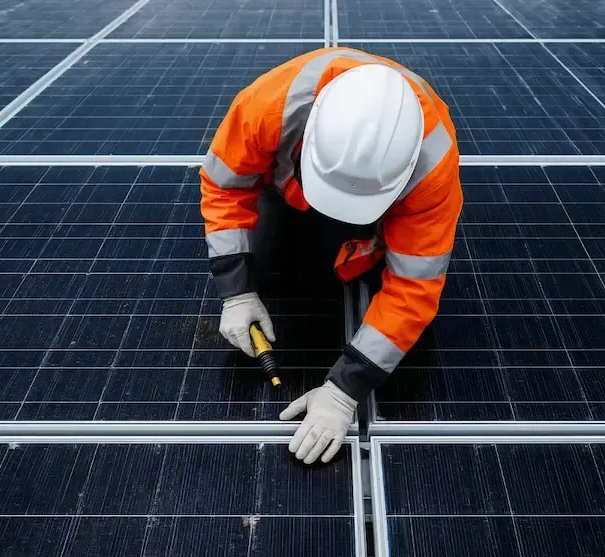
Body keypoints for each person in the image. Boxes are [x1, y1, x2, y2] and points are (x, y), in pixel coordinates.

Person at [199, 47, 464, 465]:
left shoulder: (433, 170)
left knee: (346, 269)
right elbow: (224, 187)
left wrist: (344, 390)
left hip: (374, 217)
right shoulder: (267, 107)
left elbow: (414, 286)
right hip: (284, 190)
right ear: (308, 135)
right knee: (271, 257)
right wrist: (236, 290)